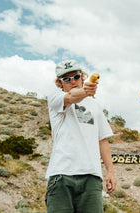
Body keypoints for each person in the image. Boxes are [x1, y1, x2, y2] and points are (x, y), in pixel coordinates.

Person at [45, 60, 116, 213]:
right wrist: (86, 92)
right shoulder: (55, 98)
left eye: (76, 76)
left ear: (82, 77)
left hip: (91, 176)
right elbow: (71, 98)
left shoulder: (95, 106)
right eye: (66, 79)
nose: (73, 81)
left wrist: (110, 171)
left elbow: (102, 140)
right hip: (61, 175)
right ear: (60, 83)